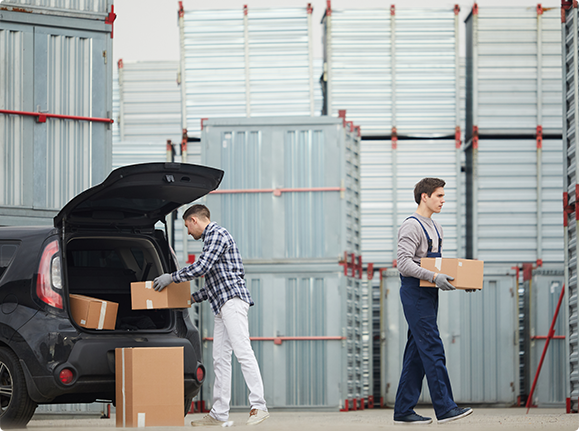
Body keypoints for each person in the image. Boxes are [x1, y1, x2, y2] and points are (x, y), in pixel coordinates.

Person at [153, 204, 269, 427]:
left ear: (195, 220)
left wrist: (172, 277)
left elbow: (202, 267)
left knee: (243, 352)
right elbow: (214, 284)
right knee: (220, 360)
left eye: (188, 226)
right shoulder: (211, 240)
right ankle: (219, 413)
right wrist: (190, 299)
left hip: (232, 303)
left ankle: (259, 406)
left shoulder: (217, 234)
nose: (188, 232)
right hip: (222, 304)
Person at [393, 178, 473, 425]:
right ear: (424, 197)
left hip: (428, 293)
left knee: (417, 351)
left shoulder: (436, 227)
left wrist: (462, 280)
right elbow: (404, 263)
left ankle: (403, 410)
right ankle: (446, 408)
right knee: (432, 347)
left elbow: (436, 265)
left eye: (443, 196)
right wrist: (434, 277)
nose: (443, 200)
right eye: (439, 195)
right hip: (414, 293)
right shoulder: (411, 226)